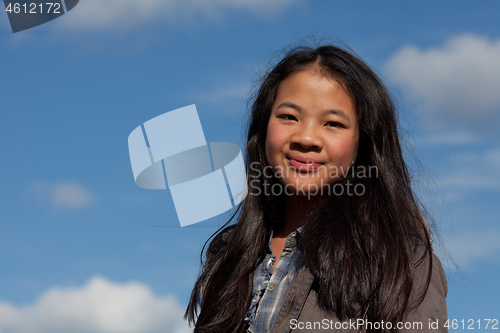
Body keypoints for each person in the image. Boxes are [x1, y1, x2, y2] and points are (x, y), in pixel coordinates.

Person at [185, 45, 448, 333]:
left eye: (333, 123)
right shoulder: (227, 254)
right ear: (262, 127)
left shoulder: (402, 263)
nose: (307, 137)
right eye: (289, 117)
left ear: (364, 144)